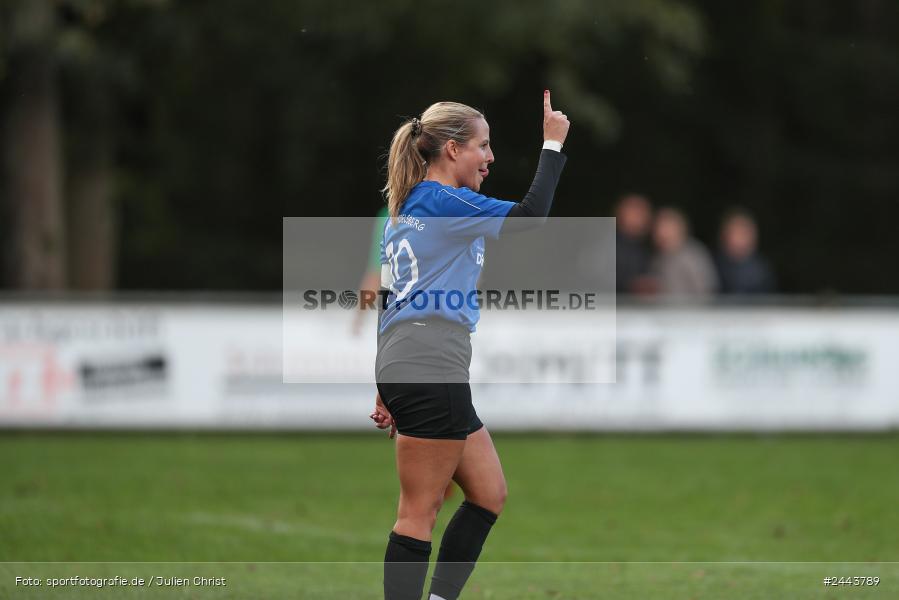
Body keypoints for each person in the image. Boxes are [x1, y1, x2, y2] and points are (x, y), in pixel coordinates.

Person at [369, 92, 569, 600]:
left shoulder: (411, 204)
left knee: (488, 494)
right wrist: (552, 143)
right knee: (418, 512)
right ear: (452, 150)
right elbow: (531, 217)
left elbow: (391, 295)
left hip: (411, 358)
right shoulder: (440, 199)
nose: (490, 157)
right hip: (430, 358)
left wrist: (382, 386)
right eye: (483, 145)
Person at [649, 207, 718, 298]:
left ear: (678, 228)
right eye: (659, 227)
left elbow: (706, 289)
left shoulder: (693, 254)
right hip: (663, 310)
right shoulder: (657, 256)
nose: (662, 232)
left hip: (691, 310)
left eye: (666, 227)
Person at [714, 208, 776, 295]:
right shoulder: (712, 265)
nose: (738, 239)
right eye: (735, 232)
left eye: (743, 233)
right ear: (724, 235)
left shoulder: (762, 269)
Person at [614, 193, 654, 294]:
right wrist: (632, 285)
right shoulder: (607, 245)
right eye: (635, 211)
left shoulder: (650, 246)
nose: (640, 216)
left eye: (644, 211)